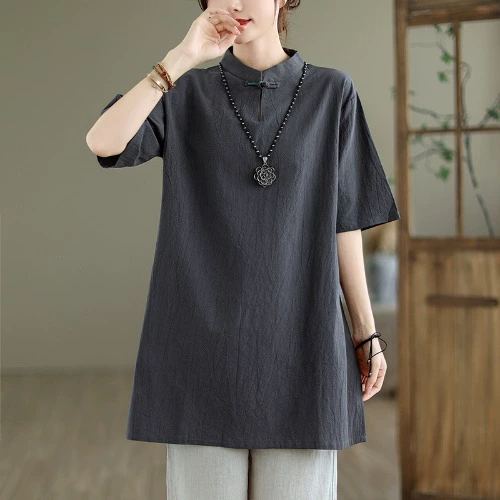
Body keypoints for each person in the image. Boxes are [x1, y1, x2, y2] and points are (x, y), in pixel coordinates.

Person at [85, 0, 400, 498]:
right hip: (201, 354)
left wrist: (365, 332)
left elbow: (346, 220)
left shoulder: (332, 92)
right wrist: (181, 58)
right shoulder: (185, 92)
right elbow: (103, 141)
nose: (233, 2)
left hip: (305, 347)